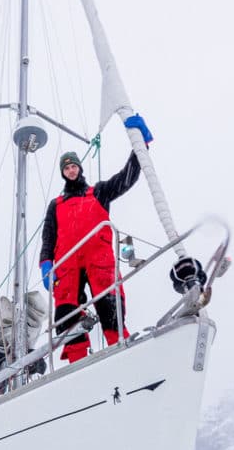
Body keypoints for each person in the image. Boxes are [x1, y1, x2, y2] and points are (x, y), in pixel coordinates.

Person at [38, 114, 150, 363]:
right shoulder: (55, 205)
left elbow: (126, 179)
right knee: (67, 312)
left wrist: (139, 147)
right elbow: (48, 237)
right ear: (62, 172)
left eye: (73, 166)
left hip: (98, 259)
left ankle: (119, 345)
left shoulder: (98, 192)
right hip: (66, 264)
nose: (71, 170)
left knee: (109, 303)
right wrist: (46, 264)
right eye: (66, 167)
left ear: (79, 167)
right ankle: (77, 361)